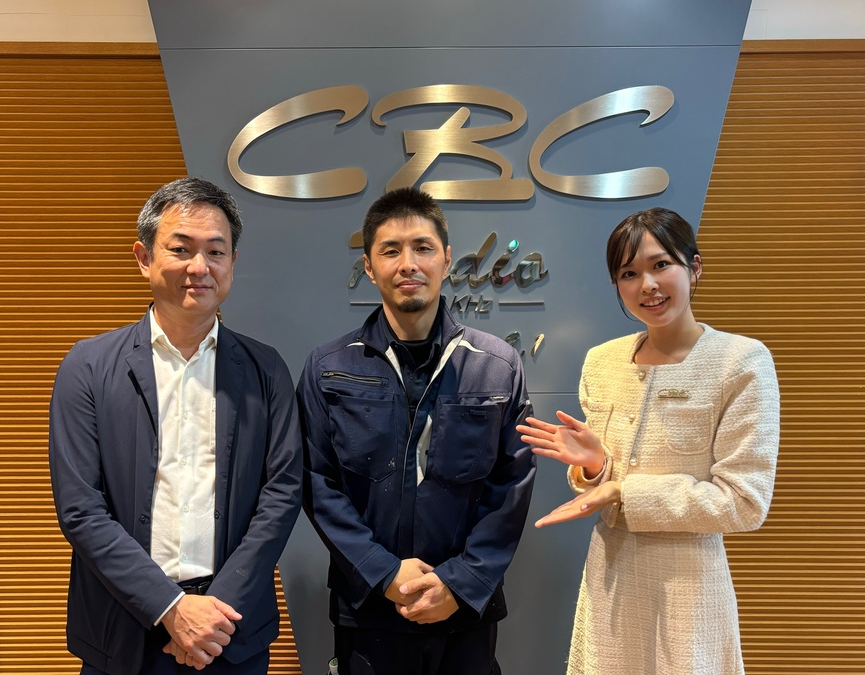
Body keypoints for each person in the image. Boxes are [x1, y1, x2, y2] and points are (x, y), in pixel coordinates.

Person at [49, 177, 303, 675]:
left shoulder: (266, 370)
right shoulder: (88, 366)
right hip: (122, 630)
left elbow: (282, 494)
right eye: (181, 249)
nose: (199, 267)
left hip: (230, 630)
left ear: (232, 262)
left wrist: (212, 615)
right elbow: (81, 508)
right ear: (144, 258)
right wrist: (169, 607)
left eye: (215, 251)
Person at [517, 207, 780, 675]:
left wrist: (623, 490)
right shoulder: (602, 362)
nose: (647, 285)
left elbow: (744, 503)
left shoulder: (740, 362)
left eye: (661, 265)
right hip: (611, 574)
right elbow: (602, 481)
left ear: (694, 268)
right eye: (629, 273)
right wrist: (596, 468)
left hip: (690, 585)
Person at [297, 187, 536, 675]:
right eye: (390, 251)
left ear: (446, 259)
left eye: (422, 248)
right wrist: (383, 572)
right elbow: (316, 482)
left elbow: (511, 486)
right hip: (370, 608)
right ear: (369, 267)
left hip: (464, 612)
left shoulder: (497, 365)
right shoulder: (328, 367)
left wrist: (460, 583)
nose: (408, 264)